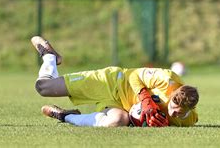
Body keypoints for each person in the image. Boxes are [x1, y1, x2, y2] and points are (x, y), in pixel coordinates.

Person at [30, 36, 199, 127]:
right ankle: (50, 56)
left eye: (179, 113)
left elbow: (169, 119)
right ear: (173, 95)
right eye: (173, 108)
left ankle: (66, 116)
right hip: (111, 82)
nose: (174, 114)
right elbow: (133, 75)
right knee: (43, 88)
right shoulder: (167, 79)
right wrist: (145, 99)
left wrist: (157, 124)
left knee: (117, 121)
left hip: (119, 106)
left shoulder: (187, 119)